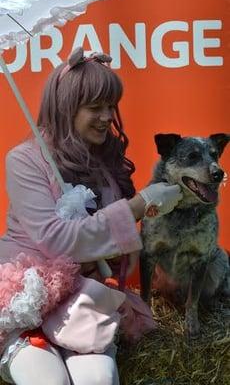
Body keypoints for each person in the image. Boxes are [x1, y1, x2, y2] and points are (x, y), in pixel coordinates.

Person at [0, 47, 182, 385]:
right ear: (65, 108)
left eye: (110, 106)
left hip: (83, 303)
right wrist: (138, 206)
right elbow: (57, 239)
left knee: (96, 379)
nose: (106, 116)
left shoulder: (104, 163)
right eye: (94, 107)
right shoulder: (23, 159)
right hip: (29, 301)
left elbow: (112, 246)